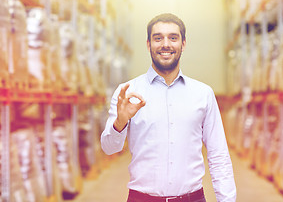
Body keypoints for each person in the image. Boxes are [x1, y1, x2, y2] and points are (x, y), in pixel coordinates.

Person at [101, 13, 236, 202]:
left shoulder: (203, 94)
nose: (166, 44)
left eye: (173, 38)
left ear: (183, 44)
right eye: (158, 38)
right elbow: (109, 148)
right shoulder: (128, 92)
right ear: (148, 44)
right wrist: (120, 122)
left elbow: (218, 154)